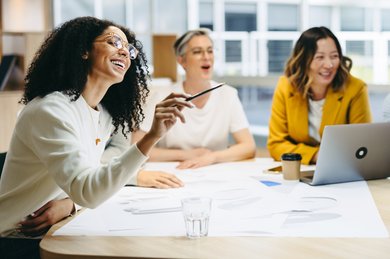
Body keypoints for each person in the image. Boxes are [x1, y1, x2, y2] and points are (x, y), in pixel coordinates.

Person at [0, 16, 193, 258]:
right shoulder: (50, 110)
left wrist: (70, 205)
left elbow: (90, 180)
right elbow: (88, 190)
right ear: (83, 50)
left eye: (129, 49)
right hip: (16, 239)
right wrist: (150, 138)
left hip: (58, 228)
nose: (124, 51)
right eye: (114, 42)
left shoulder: (101, 113)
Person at [133, 28, 256, 169]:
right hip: (174, 172)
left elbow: (249, 147)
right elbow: (135, 148)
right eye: (197, 52)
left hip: (215, 172)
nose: (206, 56)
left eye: (210, 51)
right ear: (182, 61)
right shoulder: (162, 97)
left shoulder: (228, 94)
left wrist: (211, 157)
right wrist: (186, 155)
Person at [267, 26, 372, 165]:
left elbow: (363, 145)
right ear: (303, 60)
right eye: (320, 57)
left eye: (334, 56)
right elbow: (276, 145)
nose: (329, 65)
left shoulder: (356, 89)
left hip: (342, 168)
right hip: (301, 169)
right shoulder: (286, 87)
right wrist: (316, 155)